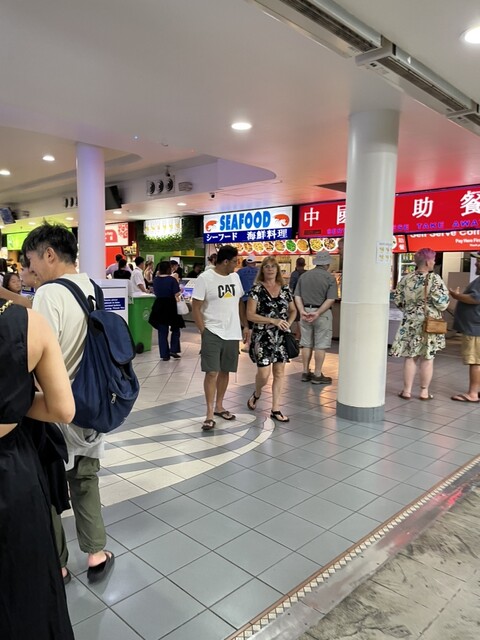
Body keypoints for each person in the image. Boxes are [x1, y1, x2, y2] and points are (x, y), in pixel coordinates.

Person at [23, 222, 114, 585]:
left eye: (31, 260)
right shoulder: (91, 286)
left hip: (55, 407)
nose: (30, 270)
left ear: (49, 254)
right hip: (91, 404)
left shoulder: (49, 293)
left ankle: (58, 564)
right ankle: (95, 554)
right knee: (85, 480)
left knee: (48, 487)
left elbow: (37, 354)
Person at [0, 296, 75, 639]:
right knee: (26, 590)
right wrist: (17, 402)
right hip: (12, 473)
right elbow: (63, 409)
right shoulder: (28, 323)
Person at [191, 245, 248, 431]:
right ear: (225, 261)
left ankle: (219, 406)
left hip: (232, 332)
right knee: (211, 372)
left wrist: (245, 325)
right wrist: (203, 331)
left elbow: (239, 302)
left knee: (225, 371)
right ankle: (209, 413)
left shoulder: (235, 277)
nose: (236, 265)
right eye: (234, 262)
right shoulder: (205, 278)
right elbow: (196, 307)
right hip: (212, 331)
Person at [390, 247, 449, 400]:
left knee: (410, 357)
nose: (434, 262)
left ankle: (406, 391)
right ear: (428, 262)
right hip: (429, 324)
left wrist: (411, 311)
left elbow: (398, 300)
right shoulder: (435, 279)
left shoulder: (406, 279)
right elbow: (443, 304)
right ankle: (424, 392)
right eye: (433, 260)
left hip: (410, 323)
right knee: (427, 358)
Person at [246, 257, 297, 422]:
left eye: (273, 266)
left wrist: (287, 324)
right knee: (264, 373)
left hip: (280, 336)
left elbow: (293, 310)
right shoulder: (256, 289)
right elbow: (250, 314)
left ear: (277, 269)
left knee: (279, 372)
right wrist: (272, 321)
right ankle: (257, 393)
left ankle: (275, 408)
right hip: (262, 335)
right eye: (266, 266)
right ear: (262, 270)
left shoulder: (285, 289)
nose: (270, 269)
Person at [294, 250, 336, 384]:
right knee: (320, 345)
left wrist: (302, 311)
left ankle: (305, 372)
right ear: (327, 264)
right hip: (322, 314)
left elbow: (297, 295)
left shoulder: (304, 276)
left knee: (306, 344)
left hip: (305, 312)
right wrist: (317, 313)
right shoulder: (330, 278)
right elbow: (330, 299)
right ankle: (317, 374)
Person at [449, 252, 480, 402]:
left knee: (475, 361)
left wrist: (456, 296)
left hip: (475, 328)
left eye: (478, 260)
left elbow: (475, 299)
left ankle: (472, 394)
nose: (475, 263)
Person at [149, 261, 185, 361]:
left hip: (159, 305)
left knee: (162, 331)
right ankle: (174, 349)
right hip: (171, 305)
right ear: (169, 269)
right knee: (176, 328)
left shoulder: (156, 280)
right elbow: (176, 293)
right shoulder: (172, 280)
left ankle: (164, 354)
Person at [237, 254, 258, 351]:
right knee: (257, 321)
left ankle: (248, 344)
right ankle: (256, 344)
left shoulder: (240, 272)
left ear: (246, 262)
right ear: (254, 262)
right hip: (257, 299)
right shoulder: (259, 271)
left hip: (245, 299)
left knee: (247, 322)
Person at [289, 257, 307, 340]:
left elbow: (291, 287)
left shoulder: (294, 274)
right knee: (302, 317)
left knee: (298, 318)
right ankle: (298, 336)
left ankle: (299, 336)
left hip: (296, 297)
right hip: (306, 297)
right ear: (304, 264)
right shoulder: (307, 273)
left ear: (296, 264)